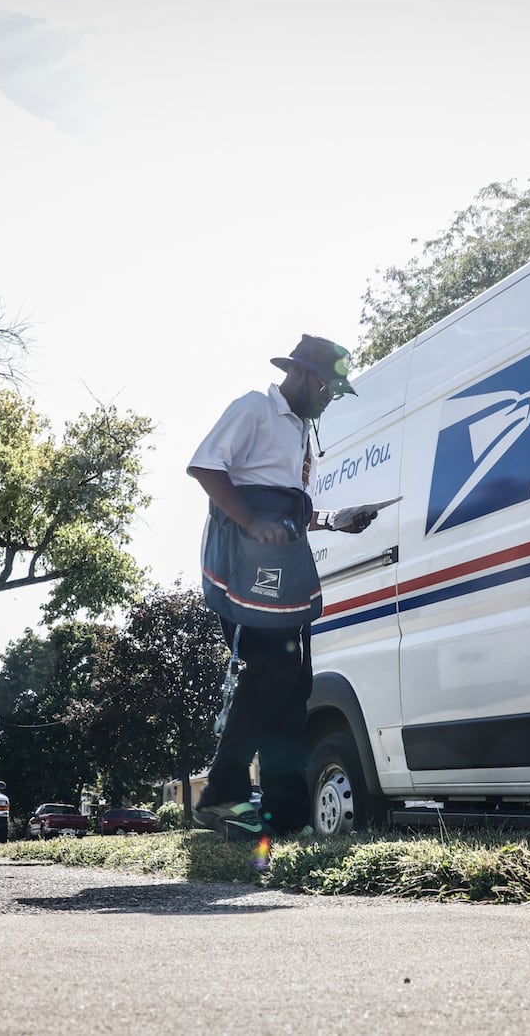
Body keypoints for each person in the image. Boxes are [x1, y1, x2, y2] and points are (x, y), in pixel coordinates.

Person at [187, 334, 375, 839]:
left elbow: (291, 507)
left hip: (281, 563)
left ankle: (284, 814)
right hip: (243, 562)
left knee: (294, 686)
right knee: (270, 670)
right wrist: (249, 521)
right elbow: (204, 466)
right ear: (300, 374)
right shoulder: (255, 408)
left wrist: (338, 519)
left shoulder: (300, 433)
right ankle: (221, 796)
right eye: (326, 386)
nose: (329, 397)